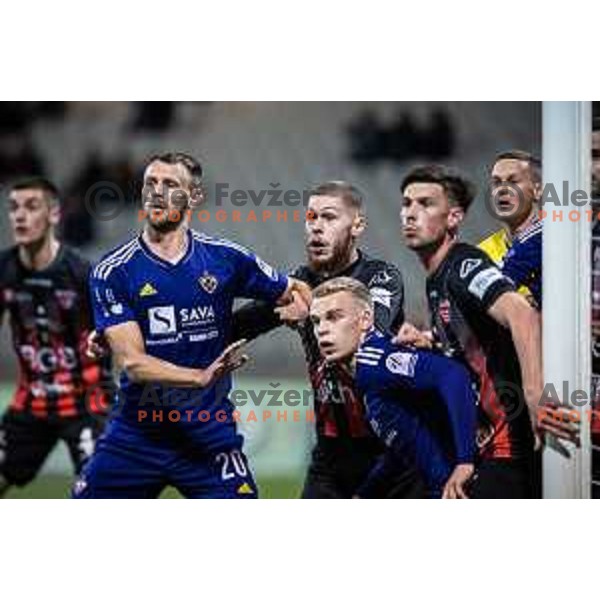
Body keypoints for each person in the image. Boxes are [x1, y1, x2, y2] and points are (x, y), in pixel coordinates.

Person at [73, 152, 310, 499]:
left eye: (170, 184)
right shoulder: (113, 271)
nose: (157, 192)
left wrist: (297, 310)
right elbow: (133, 362)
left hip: (209, 436)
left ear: (194, 196)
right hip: (137, 437)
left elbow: (296, 290)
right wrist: (198, 376)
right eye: (150, 183)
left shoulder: (227, 258)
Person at [232, 181, 425, 498]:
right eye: (311, 218)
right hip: (330, 455)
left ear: (357, 225)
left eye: (329, 217)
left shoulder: (381, 276)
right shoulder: (299, 283)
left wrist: (310, 312)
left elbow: (371, 332)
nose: (316, 228)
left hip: (391, 451)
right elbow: (238, 326)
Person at [398, 165, 576, 498]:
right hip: (491, 443)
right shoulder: (437, 278)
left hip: (514, 444)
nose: (410, 214)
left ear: (453, 218)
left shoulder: (465, 265)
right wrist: (431, 341)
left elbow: (522, 314)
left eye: (425, 204)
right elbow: (477, 342)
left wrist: (535, 392)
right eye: (407, 203)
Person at [309, 277, 477, 498]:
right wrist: (365, 494)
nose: (322, 330)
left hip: (465, 487)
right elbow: (401, 446)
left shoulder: (377, 359)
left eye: (334, 317)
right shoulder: (360, 373)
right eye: (316, 321)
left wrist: (465, 461)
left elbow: (453, 375)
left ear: (365, 319)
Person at [0, 176, 112, 497]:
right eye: (13, 208)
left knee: (100, 496)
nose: (20, 215)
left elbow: (115, 335)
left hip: (88, 404)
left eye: (32, 206)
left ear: (54, 215)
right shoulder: (3, 270)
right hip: (31, 403)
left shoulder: (81, 273)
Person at [479, 150, 542, 307]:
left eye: (513, 181)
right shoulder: (481, 255)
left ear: (538, 191)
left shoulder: (560, 244)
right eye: (496, 182)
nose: (503, 189)